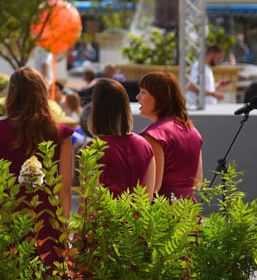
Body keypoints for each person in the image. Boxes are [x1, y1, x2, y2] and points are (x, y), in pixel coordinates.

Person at [0, 66, 73, 265]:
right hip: (47, 219)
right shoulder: (61, 134)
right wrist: (65, 233)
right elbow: (65, 192)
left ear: (12, 95)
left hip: (8, 217)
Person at [137, 72, 204, 201]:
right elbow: (197, 183)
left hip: (162, 212)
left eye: (143, 92)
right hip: (189, 211)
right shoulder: (193, 131)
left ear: (159, 97)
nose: (138, 97)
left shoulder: (154, 135)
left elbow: (152, 188)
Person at [84, 78, 154, 195]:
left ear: (96, 111)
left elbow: (90, 203)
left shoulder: (91, 150)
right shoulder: (145, 146)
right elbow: (149, 196)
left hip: (106, 213)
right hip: (138, 213)